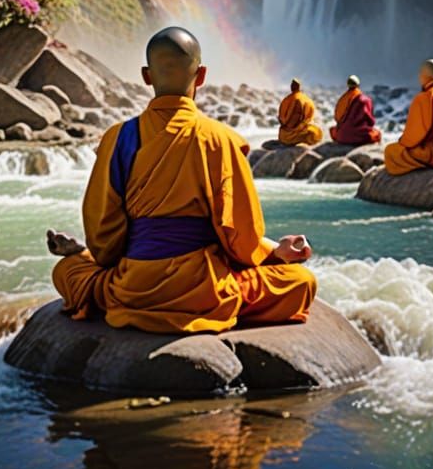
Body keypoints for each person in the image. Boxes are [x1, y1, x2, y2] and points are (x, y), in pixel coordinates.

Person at [46, 26, 316, 334]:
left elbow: (103, 240)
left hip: (132, 289)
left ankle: (80, 259)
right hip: (204, 291)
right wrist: (275, 253)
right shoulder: (220, 139)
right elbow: (242, 242)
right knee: (301, 282)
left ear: (146, 76)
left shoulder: (116, 139)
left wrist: (104, 257)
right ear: (201, 76)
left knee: (66, 272)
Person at [329, 75, 381, 146]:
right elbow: (370, 121)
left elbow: (337, 117)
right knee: (377, 134)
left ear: (348, 85)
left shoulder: (343, 98)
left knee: (333, 130)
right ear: (358, 85)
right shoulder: (365, 99)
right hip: (359, 136)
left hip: (341, 136)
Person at [277, 78, 323, 146]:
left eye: (293, 85)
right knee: (315, 132)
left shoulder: (292, 99)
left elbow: (288, 121)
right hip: (306, 131)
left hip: (289, 135)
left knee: (284, 135)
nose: (292, 86)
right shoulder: (307, 99)